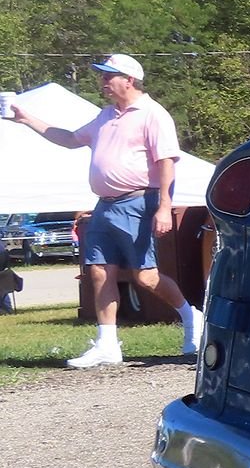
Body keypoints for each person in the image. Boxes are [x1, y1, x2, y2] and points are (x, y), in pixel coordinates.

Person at [4, 54, 203, 367]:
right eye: (102, 76)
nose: (103, 82)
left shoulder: (152, 114)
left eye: (109, 76)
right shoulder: (105, 116)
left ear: (129, 80)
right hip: (104, 206)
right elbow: (70, 139)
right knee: (98, 271)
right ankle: (107, 345)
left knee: (146, 276)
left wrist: (165, 207)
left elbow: (167, 162)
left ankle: (191, 317)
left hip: (139, 202)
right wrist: (28, 119)